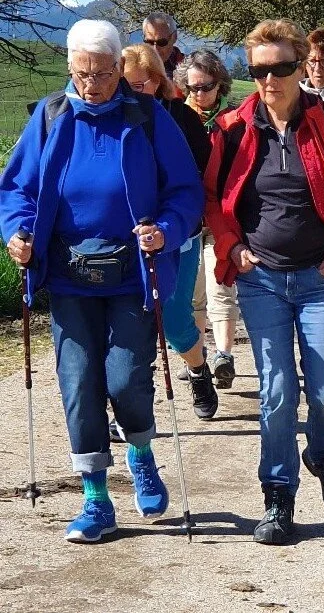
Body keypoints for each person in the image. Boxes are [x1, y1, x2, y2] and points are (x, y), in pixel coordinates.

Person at [0, 20, 204, 543]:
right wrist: (17, 234)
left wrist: (165, 230)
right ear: (70, 66)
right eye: (83, 72)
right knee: (78, 383)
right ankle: (95, 499)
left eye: (105, 72)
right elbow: (17, 190)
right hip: (68, 277)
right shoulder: (50, 117)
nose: (93, 83)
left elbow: (185, 191)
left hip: (133, 276)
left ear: (120, 67)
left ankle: (140, 453)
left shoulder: (147, 116)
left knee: (123, 378)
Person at [204, 19, 324, 545]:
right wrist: (232, 248)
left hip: (322, 278)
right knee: (278, 392)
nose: (270, 79)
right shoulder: (232, 129)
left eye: (281, 68)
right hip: (261, 279)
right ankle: (278, 497)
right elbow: (214, 200)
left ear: (302, 67)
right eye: (259, 70)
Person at [122, 44, 218, 419]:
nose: (129, 93)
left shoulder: (181, 118)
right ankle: (132, 403)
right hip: (128, 238)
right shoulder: (111, 119)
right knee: (132, 320)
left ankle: (197, 370)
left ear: (158, 83)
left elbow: (202, 176)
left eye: (138, 85)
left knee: (175, 320)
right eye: (124, 84)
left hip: (179, 234)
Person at [173, 49, 240, 388]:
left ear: (220, 85)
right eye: (193, 87)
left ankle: (224, 355)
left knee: (221, 287)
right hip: (186, 217)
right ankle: (196, 355)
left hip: (222, 215)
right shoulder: (177, 120)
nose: (200, 94)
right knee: (192, 292)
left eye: (207, 86)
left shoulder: (233, 121)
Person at [143, 11, 184, 79]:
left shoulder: (190, 69)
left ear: (174, 37)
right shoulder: (133, 69)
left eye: (161, 42)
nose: (155, 49)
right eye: (150, 42)